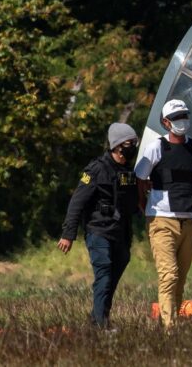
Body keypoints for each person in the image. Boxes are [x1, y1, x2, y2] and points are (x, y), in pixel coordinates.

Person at [58, 123, 139, 329]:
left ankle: (97, 318)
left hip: (121, 233)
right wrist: (68, 234)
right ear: (117, 145)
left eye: (134, 143)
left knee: (112, 276)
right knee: (104, 273)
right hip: (99, 231)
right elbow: (77, 202)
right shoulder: (96, 169)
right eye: (129, 143)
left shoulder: (128, 171)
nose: (133, 147)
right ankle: (101, 325)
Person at [135, 99, 192, 329]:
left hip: (189, 221)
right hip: (162, 220)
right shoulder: (156, 147)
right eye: (176, 118)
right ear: (166, 123)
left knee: (180, 279)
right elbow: (140, 179)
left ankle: (171, 321)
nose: (181, 121)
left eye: (184, 116)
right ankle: (169, 328)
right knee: (169, 275)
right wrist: (145, 206)